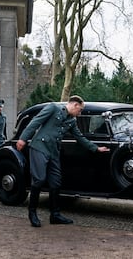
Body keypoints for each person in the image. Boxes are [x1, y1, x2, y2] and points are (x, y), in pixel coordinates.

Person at [16, 95, 110, 227]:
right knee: (39, 179)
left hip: (53, 152)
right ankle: (32, 213)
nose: (80, 113)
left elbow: (79, 137)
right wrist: (23, 138)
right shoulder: (53, 108)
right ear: (75, 105)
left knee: (56, 182)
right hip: (39, 147)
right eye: (80, 110)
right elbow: (36, 122)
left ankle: (55, 215)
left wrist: (96, 148)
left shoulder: (71, 121)